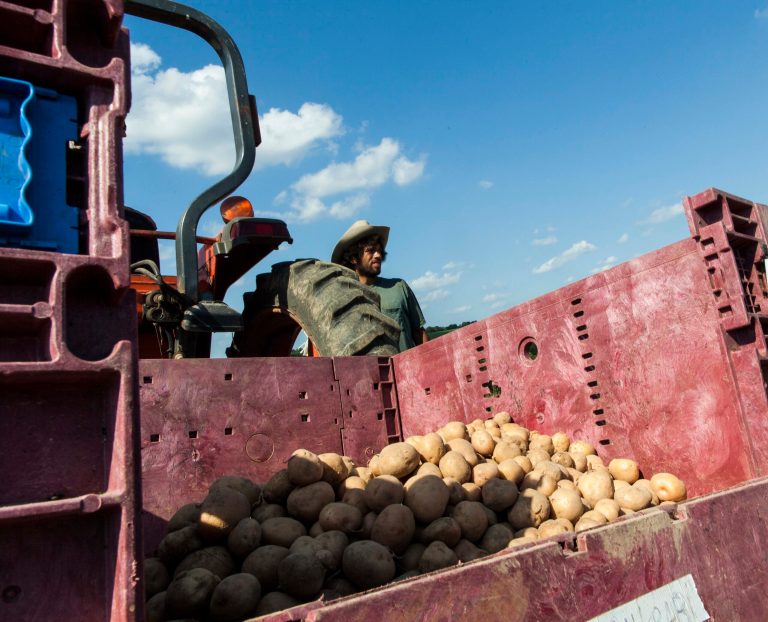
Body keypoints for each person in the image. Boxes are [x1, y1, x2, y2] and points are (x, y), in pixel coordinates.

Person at [332, 220, 427, 352]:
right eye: (370, 251)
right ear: (353, 258)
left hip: (409, 370)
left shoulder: (398, 287)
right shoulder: (344, 299)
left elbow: (419, 333)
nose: (378, 255)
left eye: (379, 251)